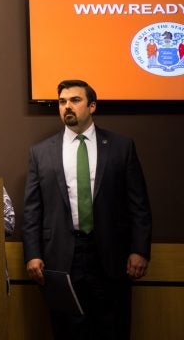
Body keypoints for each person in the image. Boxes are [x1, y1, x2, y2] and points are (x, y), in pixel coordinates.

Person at [22, 79, 152, 340]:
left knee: (112, 329)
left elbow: (138, 204)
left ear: (92, 106)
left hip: (112, 259)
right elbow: (32, 210)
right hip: (61, 259)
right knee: (68, 331)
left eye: (75, 100)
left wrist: (140, 250)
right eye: (62, 102)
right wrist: (32, 254)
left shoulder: (121, 147)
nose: (67, 106)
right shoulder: (41, 153)